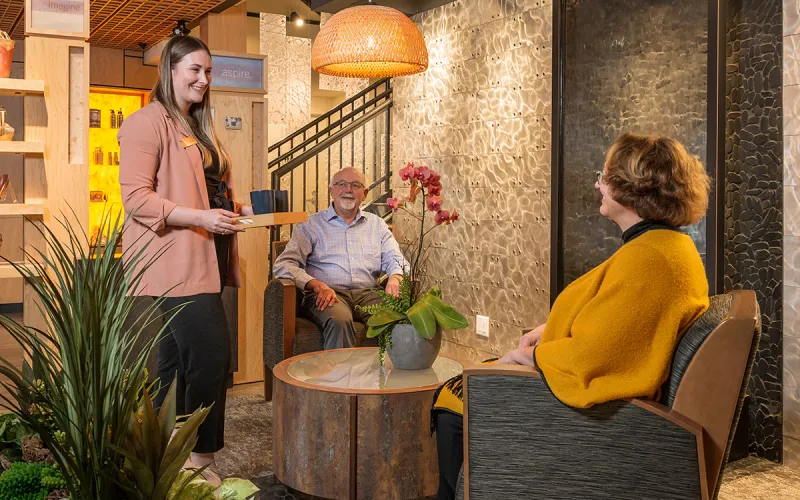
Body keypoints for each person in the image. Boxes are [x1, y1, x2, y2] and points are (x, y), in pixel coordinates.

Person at [432, 133, 712, 500]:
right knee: (460, 391)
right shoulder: (662, 246)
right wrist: (549, 330)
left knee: (456, 408)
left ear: (632, 187)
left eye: (605, 176)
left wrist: (533, 356)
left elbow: (595, 357)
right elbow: (616, 319)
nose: (598, 184)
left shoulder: (652, 259)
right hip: (609, 399)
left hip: (611, 418)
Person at [119, 35, 255, 485]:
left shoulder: (195, 126)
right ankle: (200, 461)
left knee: (174, 364)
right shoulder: (146, 123)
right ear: (171, 71)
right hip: (172, 260)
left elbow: (206, 190)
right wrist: (201, 216)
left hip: (207, 254)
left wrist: (238, 212)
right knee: (213, 356)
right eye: (194, 69)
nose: (203, 78)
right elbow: (137, 199)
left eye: (208, 71)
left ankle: (156, 458)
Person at [273, 167, 409, 349]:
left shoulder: (377, 225)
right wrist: (316, 284)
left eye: (355, 185)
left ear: (365, 193)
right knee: (340, 320)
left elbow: (395, 257)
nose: (348, 190)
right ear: (331, 191)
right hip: (327, 294)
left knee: (400, 319)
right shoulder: (311, 225)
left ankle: (388, 377)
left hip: (369, 294)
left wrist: (396, 276)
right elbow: (284, 264)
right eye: (341, 184)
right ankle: (342, 378)